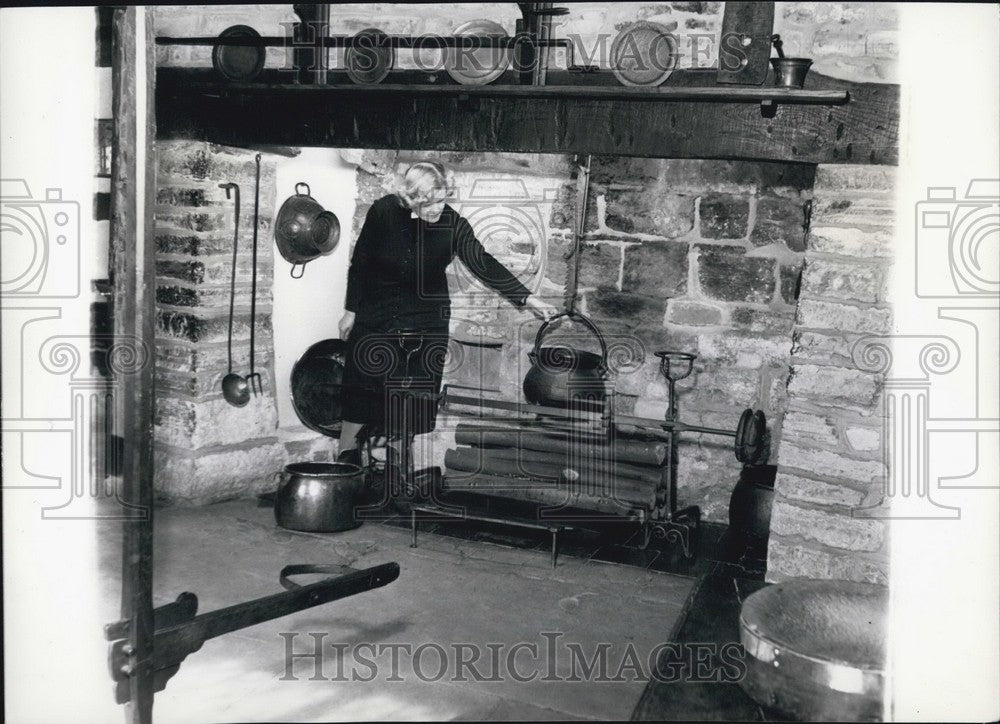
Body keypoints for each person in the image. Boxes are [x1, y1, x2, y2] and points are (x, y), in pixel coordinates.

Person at [336, 161, 558, 495]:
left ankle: (398, 476)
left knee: (409, 401)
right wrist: (350, 311)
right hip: (377, 315)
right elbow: (360, 262)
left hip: (425, 323)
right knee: (362, 388)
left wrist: (527, 299)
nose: (438, 208)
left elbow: (484, 263)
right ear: (411, 198)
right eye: (429, 203)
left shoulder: (453, 223)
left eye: (442, 200)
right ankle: (344, 461)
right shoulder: (383, 212)